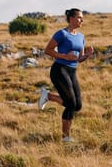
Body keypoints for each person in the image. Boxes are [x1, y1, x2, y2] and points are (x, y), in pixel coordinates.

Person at [39, 8, 94, 142]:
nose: (82, 20)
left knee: (77, 105)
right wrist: (64, 56)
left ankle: (48, 96)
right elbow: (48, 50)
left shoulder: (81, 37)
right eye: (80, 17)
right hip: (59, 70)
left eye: (82, 18)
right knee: (70, 104)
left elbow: (79, 58)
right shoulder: (62, 34)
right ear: (71, 18)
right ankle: (66, 137)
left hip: (72, 71)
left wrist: (86, 56)